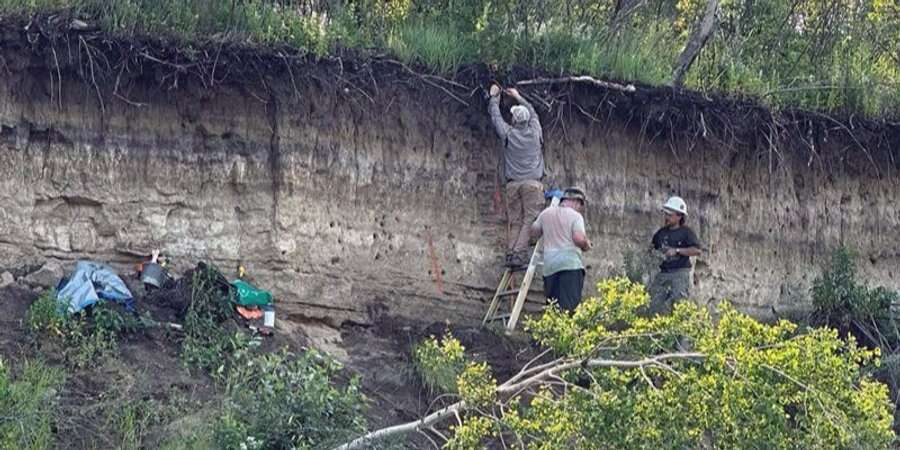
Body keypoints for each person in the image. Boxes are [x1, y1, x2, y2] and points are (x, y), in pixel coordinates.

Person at [488, 84, 544, 267]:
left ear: (513, 121)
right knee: (529, 219)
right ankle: (519, 254)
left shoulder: (509, 134)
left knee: (516, 220)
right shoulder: (535, 131)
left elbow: (496, 118)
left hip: (512, 185)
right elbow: (533, 112)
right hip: (532, 185)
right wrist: (519, 97)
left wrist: (494, 97)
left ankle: (512, 253)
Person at [530, 187, 592, 311]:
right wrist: (587, 244)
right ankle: (567, 330)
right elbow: (578, 239)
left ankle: (553, 330)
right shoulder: (575, 216)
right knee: (569, 308)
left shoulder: (546, 213)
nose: (580, 208)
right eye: (580, 205)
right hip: (570, 267)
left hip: (550, 268)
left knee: (553, 307)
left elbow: (534, 232)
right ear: (575, 201)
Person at [647, 196, 701, 315]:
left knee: (679, 305)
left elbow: (696, 251)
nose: (667, 217)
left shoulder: (686, 233)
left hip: (680, 273)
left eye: (670, 215)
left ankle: (679, 331)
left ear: (679, 216)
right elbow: (651, 248)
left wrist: (676, 251)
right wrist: (653, 253)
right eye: (666, 214)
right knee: (653, 302)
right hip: (663, 273)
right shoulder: (661, 233)